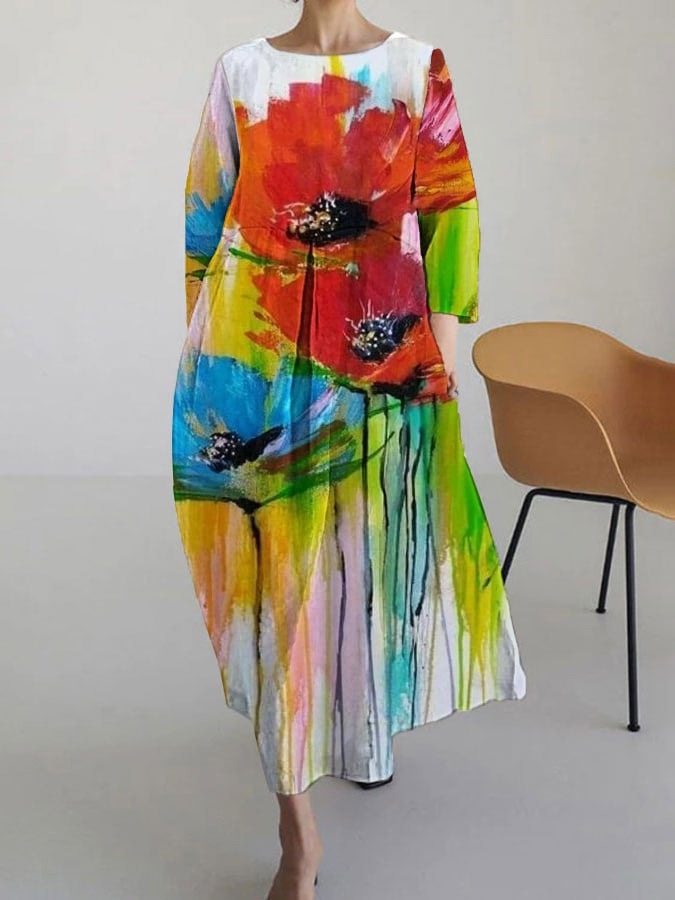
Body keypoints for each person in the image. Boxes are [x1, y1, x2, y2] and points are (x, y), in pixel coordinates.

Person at [172, 3, 527, 898]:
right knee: (275, 592)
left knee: (363, 567)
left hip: (381, 364)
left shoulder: (414, 67)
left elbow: (449, 210)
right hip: (256, 365)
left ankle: (360, 730)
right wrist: (210, 363)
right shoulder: (241, 71)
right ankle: (296, 832)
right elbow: (204, 225)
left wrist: (437, 355)